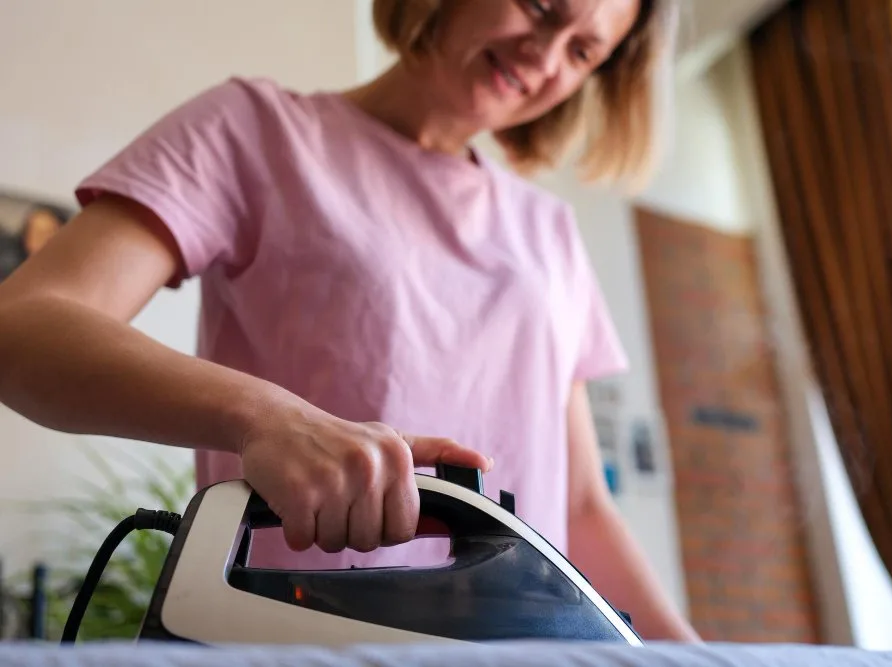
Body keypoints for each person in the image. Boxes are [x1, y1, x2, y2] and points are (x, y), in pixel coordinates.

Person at [0, 0, 699, 642]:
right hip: (297, 641)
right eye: (541, 8)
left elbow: (579, 503)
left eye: (583, 52)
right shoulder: (254, 131)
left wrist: (691, 657)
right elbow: (24, 328)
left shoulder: (550, 232)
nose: (545, 59)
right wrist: (266, 418)